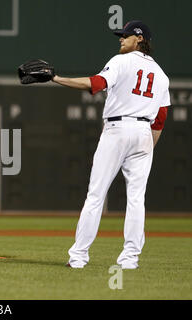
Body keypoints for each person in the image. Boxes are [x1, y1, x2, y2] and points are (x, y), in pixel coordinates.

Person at [52, 21, 170, 269]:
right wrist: (147, 147)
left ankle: (79, 257)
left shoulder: (120, 61)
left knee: (95, 195)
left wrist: (56, 78)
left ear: (139, 39)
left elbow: (95, 84)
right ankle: (129, 260)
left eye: (125, 36)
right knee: (137, 199)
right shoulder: (161, 75)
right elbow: (159, 121)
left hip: (118, 129)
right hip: (144, 133)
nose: (121, 39)